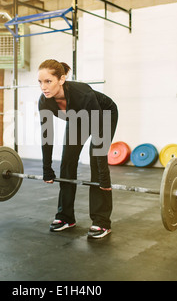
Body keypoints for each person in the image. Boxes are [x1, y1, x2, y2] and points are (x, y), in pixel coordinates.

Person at [37, 59, 118, 239]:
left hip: (103, 114)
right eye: (40, 82)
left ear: (61, 79)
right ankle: (65, 217)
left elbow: (99, 141)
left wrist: (104, 178)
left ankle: (101, 221)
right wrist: (47, 169)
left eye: (48, 81)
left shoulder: (83, 94)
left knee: (96, 162)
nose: (43, 87)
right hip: (78, 119)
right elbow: (46, 137)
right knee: (67, 162)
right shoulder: (45, 101)